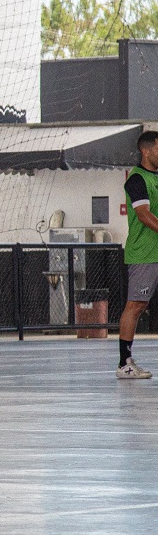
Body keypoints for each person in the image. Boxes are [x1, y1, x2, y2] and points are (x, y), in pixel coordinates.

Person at [116, 130, 158, 379]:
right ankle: (124, 364)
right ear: (146, 150)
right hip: (144, 253)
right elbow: (143, 214)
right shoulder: (136, 179)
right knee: (136, 305)